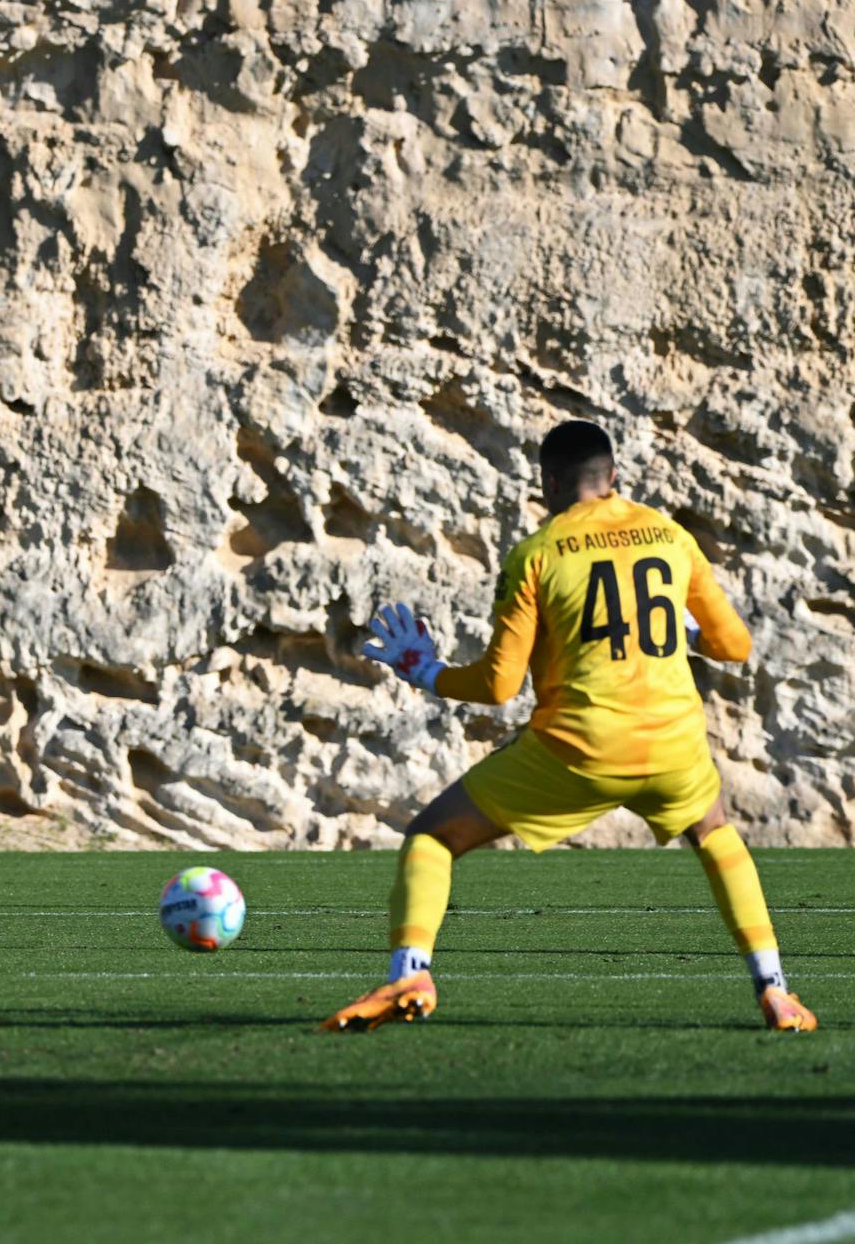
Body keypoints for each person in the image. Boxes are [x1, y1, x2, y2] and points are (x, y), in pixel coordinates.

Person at [328, 420, 816, 1034]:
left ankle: (410, 971)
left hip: (576, 750)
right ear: (614, 477)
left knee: (432, 836)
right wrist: (678, 627)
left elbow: (497, 687)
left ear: (548, 481)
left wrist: (424, 671)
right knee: (716, 834)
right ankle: (775, 989)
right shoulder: (670, 535)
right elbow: (734, 644)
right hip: (673, 746)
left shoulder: (536, 554)